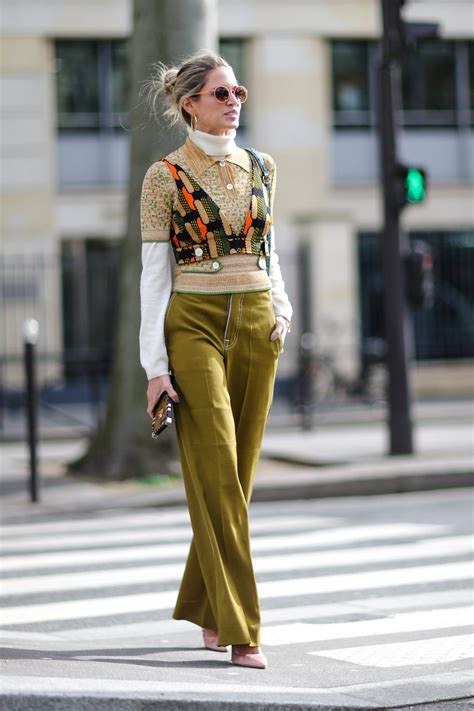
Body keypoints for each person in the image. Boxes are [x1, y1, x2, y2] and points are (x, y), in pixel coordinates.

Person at [139, 50, 293, 670]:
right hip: (193, 323)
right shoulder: (163, 176)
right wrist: (154, 366)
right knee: (215, 467)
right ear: (190, 104)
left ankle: (206, 604)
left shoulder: (263, 165)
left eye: (239, 93)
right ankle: (242, 628)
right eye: (222, 93)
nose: (234, 101)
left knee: (239, 475)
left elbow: (270, 247)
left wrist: (282, 307)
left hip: (258, 321)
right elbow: (155, 277)